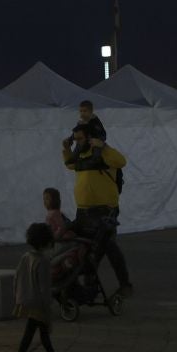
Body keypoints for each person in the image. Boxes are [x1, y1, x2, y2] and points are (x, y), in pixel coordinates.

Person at [62, 124, 132, 297]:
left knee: (108, 248)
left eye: (79, 138)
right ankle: (90, 287)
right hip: (83, 211)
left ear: (90, 138)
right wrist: (66, 149)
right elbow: (70, 165)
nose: (77, 142)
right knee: (86, 250)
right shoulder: (82, 155)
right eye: (75, 139)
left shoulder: (103, 154)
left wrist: (103, 146)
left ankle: (125, 284)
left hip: (104, 211)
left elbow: (121, 161)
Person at [10, 222, 66, 352]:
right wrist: (48, 306)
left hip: (26, 299)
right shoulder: (43, 261)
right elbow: (45, 288)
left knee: (40, 329)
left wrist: (17, 295)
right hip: (38, 303)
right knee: (34, 328)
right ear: (47, 242)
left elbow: (17, 277)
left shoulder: (26, 257)